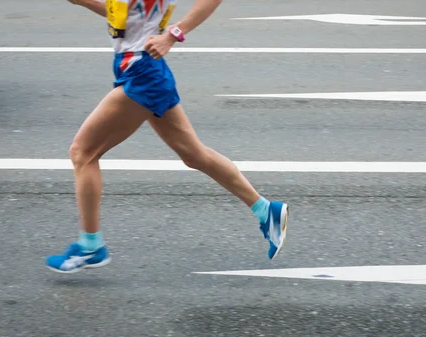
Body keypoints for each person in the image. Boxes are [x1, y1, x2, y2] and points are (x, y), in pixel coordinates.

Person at [46, 0, 289, 273]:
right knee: (193, 155)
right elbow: (125, 13)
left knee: (83, 153)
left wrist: (173, 34)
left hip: (143, 73)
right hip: (138, 68)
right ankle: (266, 210)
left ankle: (90, 246)